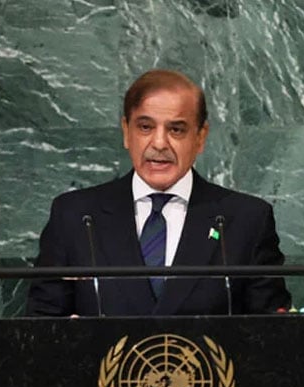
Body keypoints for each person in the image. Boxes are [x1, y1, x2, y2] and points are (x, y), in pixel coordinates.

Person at [26, 69, 290, 316]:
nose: (160, 143)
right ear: (126, 131)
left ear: (200, 137)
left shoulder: (246, 219)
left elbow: (270, 335)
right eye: (145, 127)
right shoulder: (75, 216)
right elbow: (40, 327)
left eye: (176, 129)